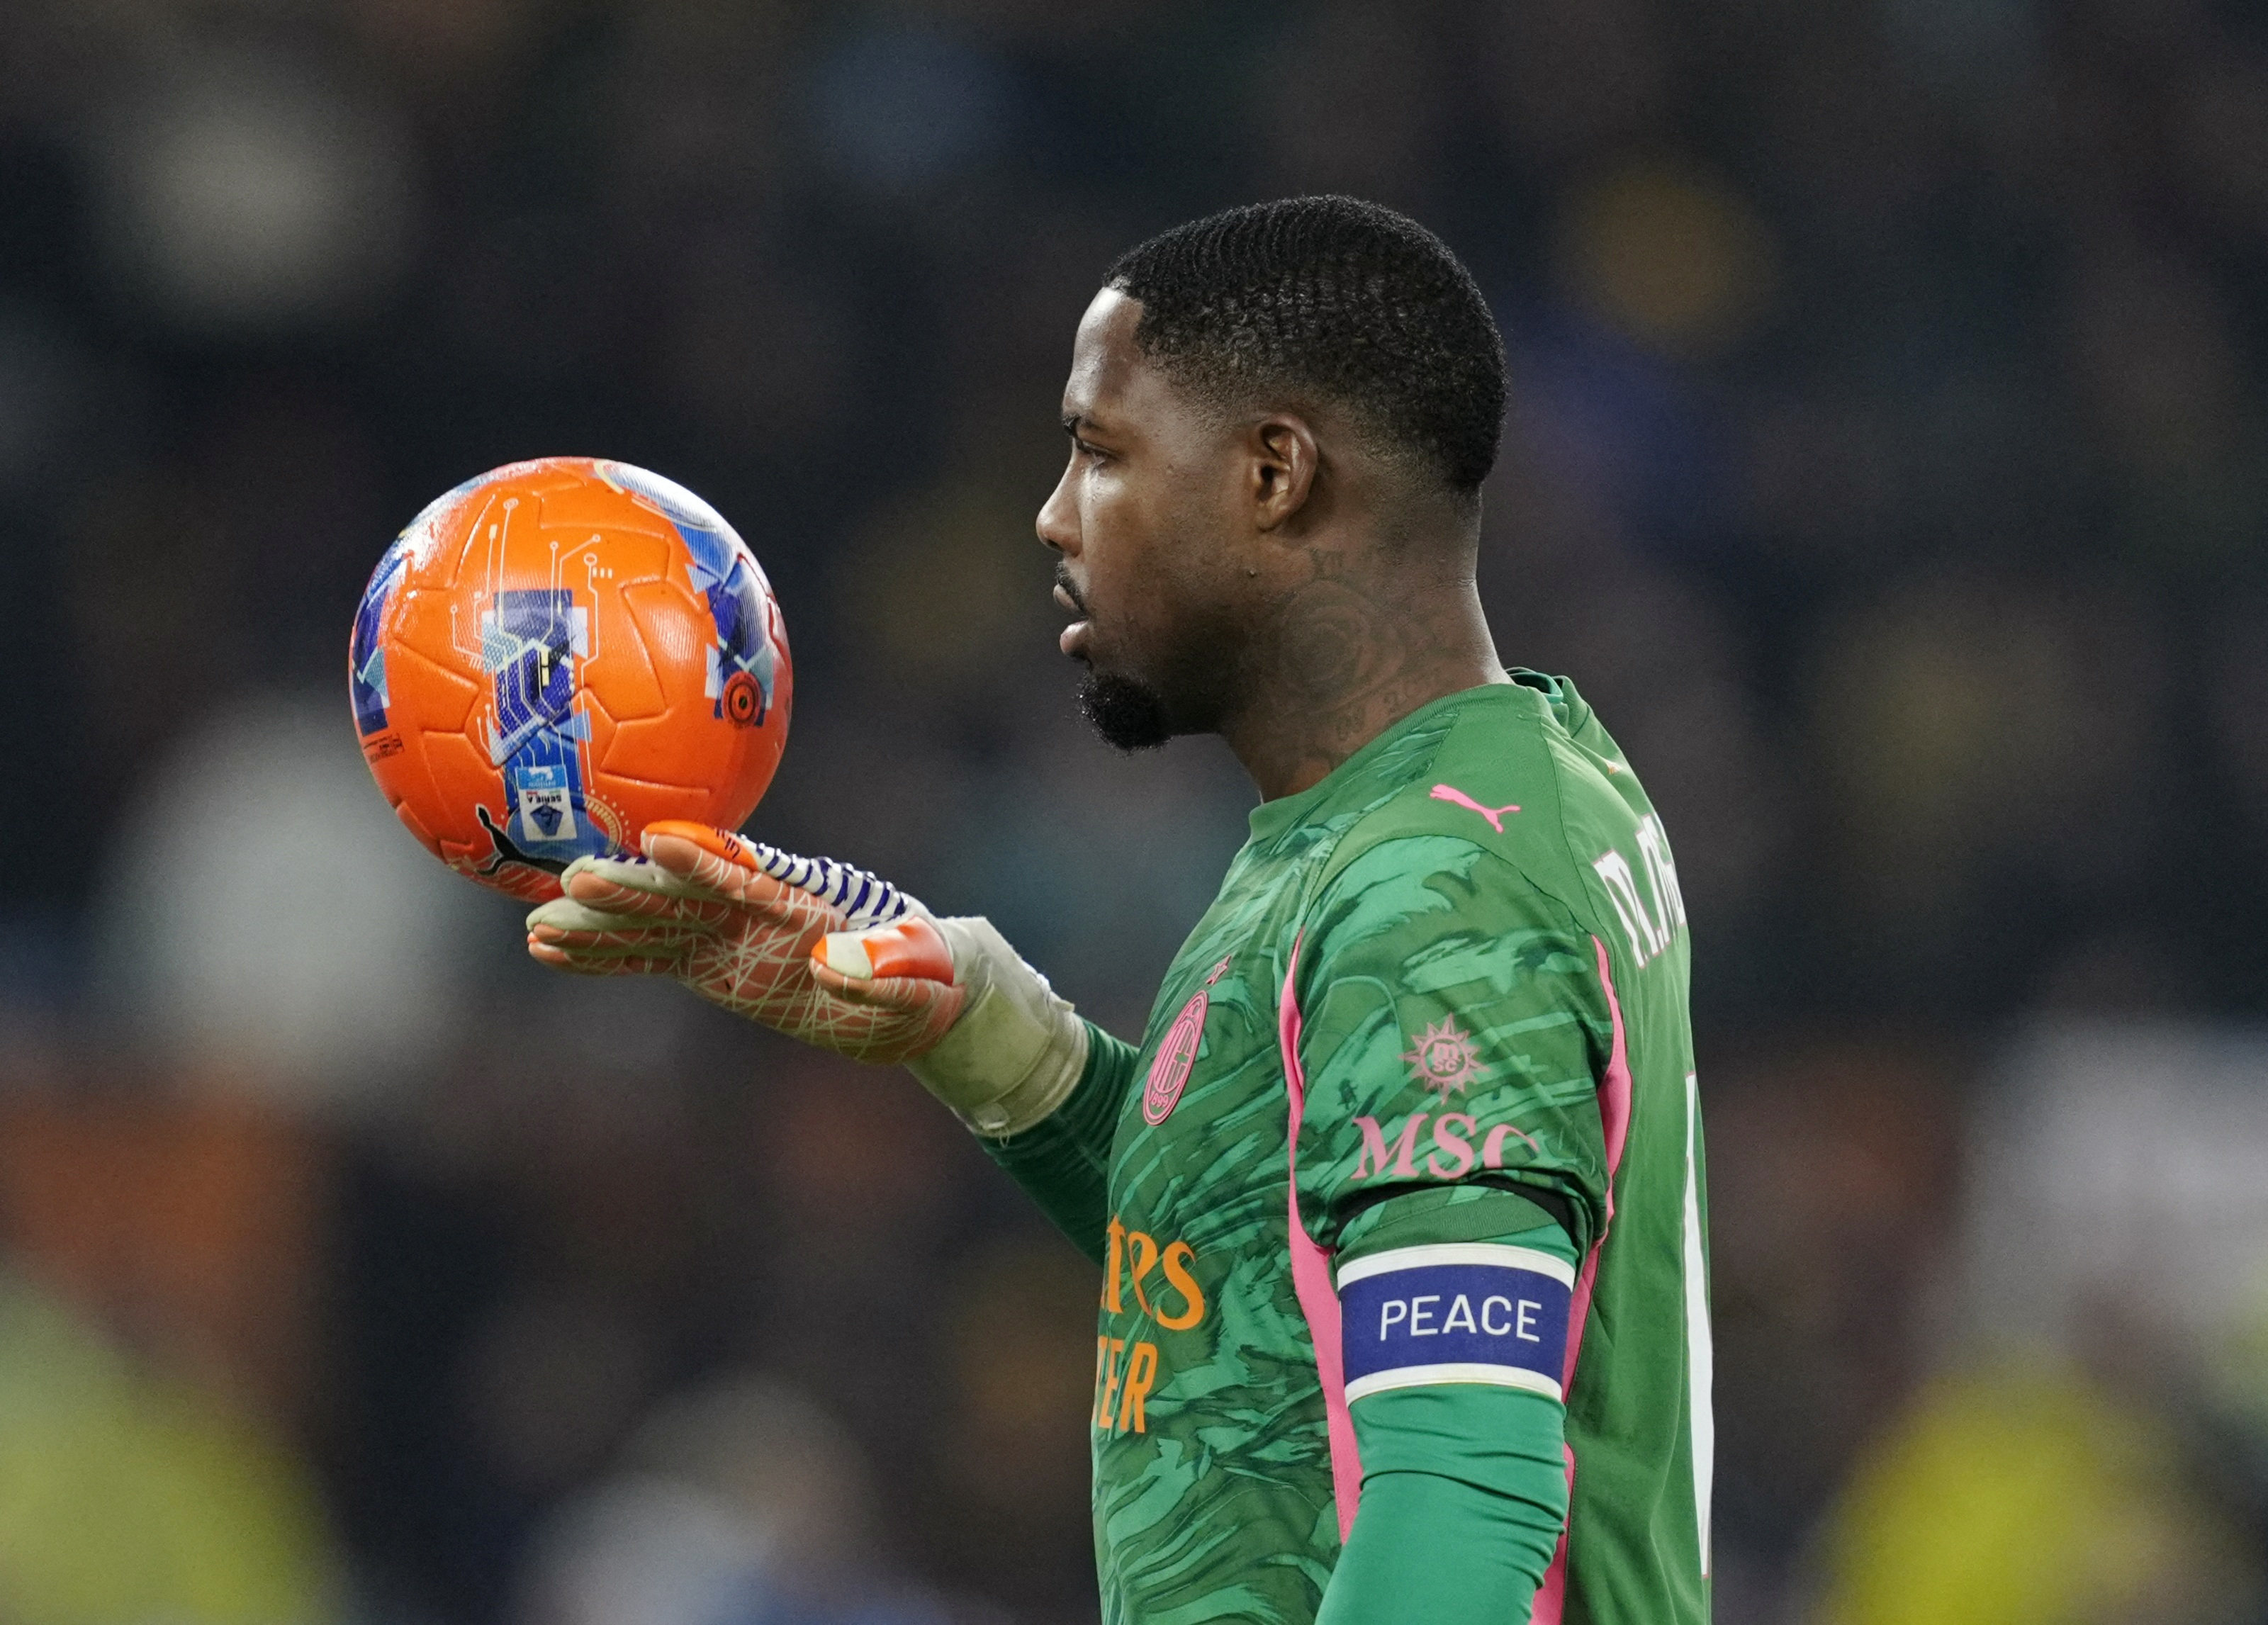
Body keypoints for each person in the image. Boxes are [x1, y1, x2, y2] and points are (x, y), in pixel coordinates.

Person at [527, 196, 1711, 1625]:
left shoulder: (1434, 890)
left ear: (1273, 472)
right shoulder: (1467, 792)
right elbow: (1270, 1291)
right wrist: (986, 1028)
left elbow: (1462, 1503)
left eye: (1100, 453)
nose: (1051, 513)